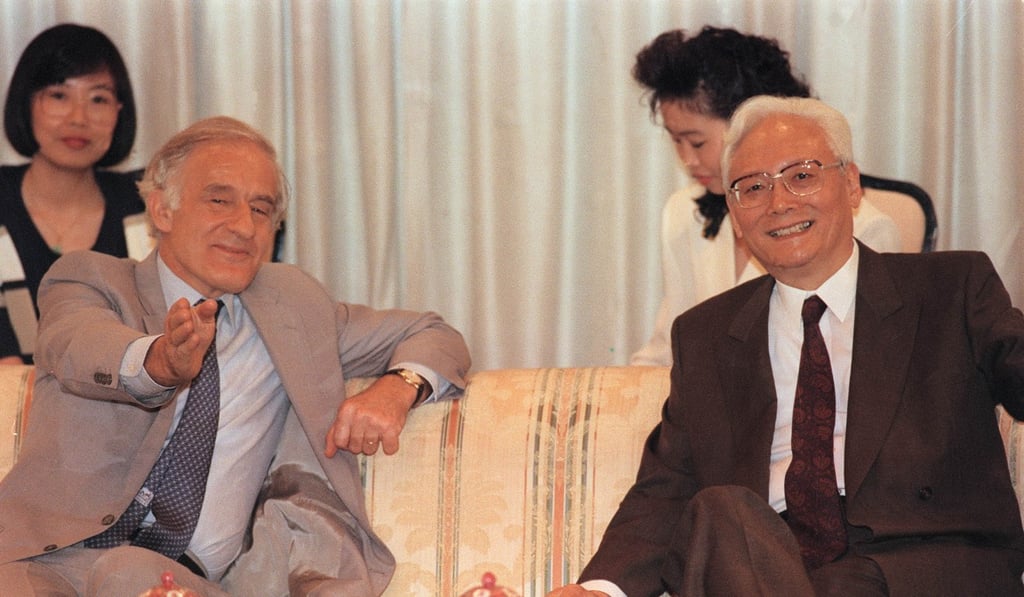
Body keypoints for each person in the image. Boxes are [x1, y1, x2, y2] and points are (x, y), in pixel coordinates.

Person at [548, 96, 1024, 596]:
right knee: (719, 510)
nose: (779, 204)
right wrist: (597, 590)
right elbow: (667, 488)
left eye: (801, 176)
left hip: (919, 568)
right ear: (733, 212)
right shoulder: (707, 336)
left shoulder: (950, 289)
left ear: (852, 183)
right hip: (767, 566)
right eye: (752, 188)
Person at [0, 116, 471, 596]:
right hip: (48, 563)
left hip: (184, 581)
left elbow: (432, 332)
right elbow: (78, 342)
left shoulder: (294, 308)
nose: (244, 226)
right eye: (219, 200)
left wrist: (399, 387)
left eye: (262, 209)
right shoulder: (91, 280)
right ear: (162, 210)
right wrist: (158, 362)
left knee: (126, 573)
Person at [629, 26, 900, 366]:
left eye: (697, 142)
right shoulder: (683, 213)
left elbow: (872, 365)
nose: (688, 159)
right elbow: (667, 350)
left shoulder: (862, 227)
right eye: (676, 141)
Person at [0, 23, 150, 366]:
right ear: (26, 104)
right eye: (58, 95)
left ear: (119, 111)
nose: (79, 118)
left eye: (98, 99)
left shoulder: (146, 206)